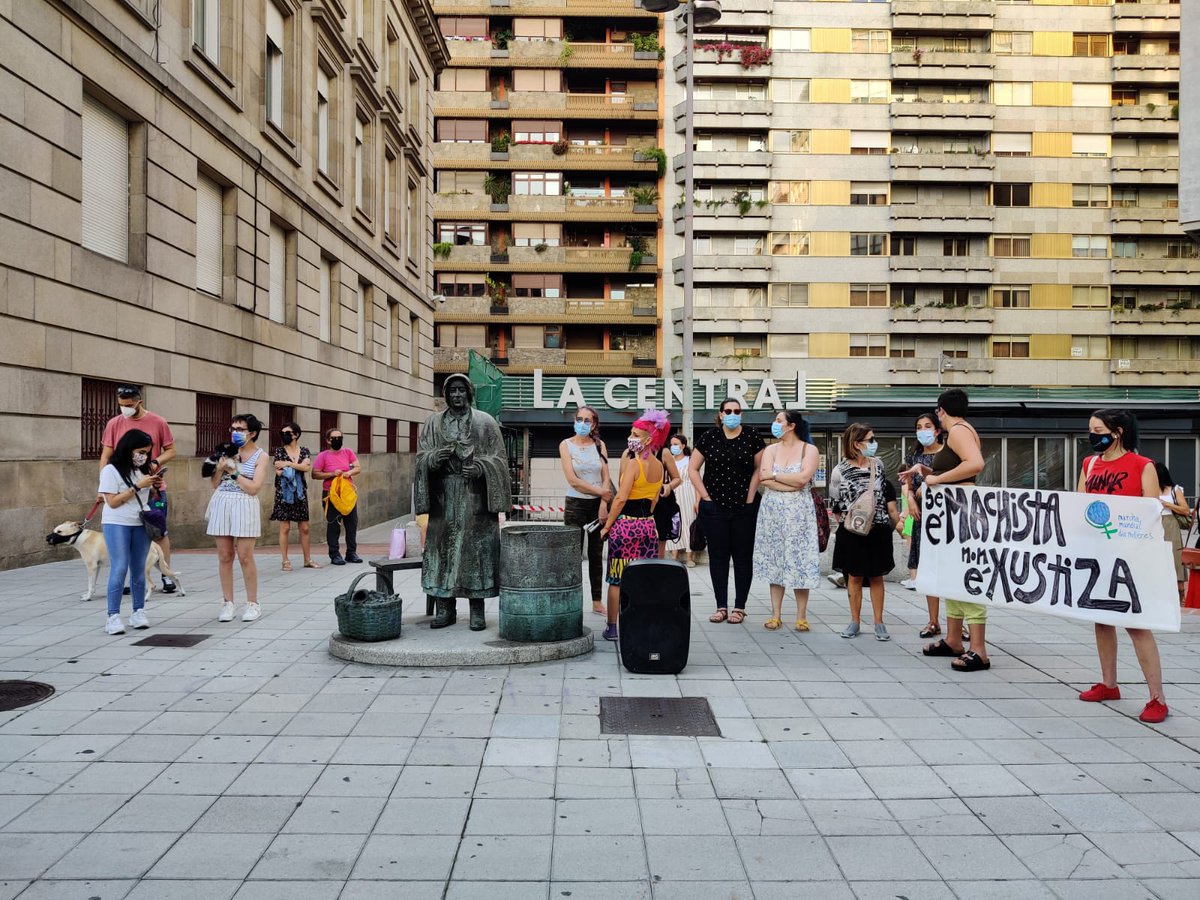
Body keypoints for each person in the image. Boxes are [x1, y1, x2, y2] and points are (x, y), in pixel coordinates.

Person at [1076, 409, 1168, 723]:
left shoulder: (1144, 467)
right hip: (1098, 555)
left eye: (1097, 429)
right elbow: (1079, 506)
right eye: (1090, 429)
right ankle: (1108, 683)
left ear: (1117, 432)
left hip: (1132, 557)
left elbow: (1151, 513)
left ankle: (1157, 698)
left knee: (1137, 626)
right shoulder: (1089, 464)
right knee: (1101, 620)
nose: (1092, 436)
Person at [903, 389, 990, 671]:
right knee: (951, 575)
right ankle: (954, 639)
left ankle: (978, 649)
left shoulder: (958, 431)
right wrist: (923, 471)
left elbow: (975, 464)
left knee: (966, 575)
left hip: (961, 510)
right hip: (950, 512)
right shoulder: (959, 433)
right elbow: (958, 467)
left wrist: (936, 479)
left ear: (941, 410)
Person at [416, 374, 509, 630]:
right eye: (452, 391)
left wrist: (480, 467)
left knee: (476, 551)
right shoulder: (433, 424)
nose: (457, 395)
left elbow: (500, 460)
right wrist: (433, 459)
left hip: (475, 496)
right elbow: (421, 457)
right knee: (443, 551)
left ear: (468, 393)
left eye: (461, 391)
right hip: (443, 497)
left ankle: (477, 610)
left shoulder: (485, 422)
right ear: (446, 395)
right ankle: (445, 609)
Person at [690, 398, 766, 624]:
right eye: (728, 411)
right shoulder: (709, 437)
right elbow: (693, 469)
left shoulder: (752, 435)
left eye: (737, 411)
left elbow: (758, 470)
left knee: (743, 557)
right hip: (714, 507)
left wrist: (751, 498)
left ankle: (739, 607)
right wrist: (705, 496)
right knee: (718, 557)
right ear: (721, 414)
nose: (733, 414)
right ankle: (721, 606)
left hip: (745, 507)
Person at [98, 384, 178, 593]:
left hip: (152, 488)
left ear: (139, 402)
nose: (125, 409)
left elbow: (171, 450)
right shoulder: (114, 424)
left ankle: (165, 574)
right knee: (125, 535)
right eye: (122, 405)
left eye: (129, 405)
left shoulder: (158, 422)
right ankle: (128, 578)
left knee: (158, 531)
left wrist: (155, 463)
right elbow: (106, 456)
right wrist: (102, 488)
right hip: (123, 489)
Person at [599, 409, 670, 642]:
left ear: (648, 439)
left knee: (617, 578)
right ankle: (641, 622)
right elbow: (655, 500)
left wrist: (608, 525)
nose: (631, 437)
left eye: (635, 434)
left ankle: (612, 627)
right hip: (648, 527)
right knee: (643, 577)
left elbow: (620, 498)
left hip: (625, 527)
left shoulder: (634, 464)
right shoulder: (659, 466)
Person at [829, 423, 899, 641]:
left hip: (878, 528)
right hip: (852, 532)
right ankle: (855, 621)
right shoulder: (839, 469)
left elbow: (883, 493)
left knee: (877, 576)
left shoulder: (878, 464)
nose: (873, 443)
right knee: (855, 577)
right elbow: (835, 503)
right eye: (869, 439)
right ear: (856, 443)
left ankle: (879, 622)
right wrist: (850, 523)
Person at [753, 410, 821, 631]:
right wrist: (782, 482)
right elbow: (763, 478)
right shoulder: (770, 449)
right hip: (772, 513)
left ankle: (801, 615)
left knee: (800, 561)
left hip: (799, 513)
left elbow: (803, 480)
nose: (775, 424)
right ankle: (776, 614)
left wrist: (774, 476)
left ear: (791, 425)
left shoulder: (809, 449)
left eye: (779, 420)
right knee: (775, 561)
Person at [902, 413, 965, 641]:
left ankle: (957, 623)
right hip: (922, 517)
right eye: (919, 426)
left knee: (948, 570)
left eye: (928, 426)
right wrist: (910, 499)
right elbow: (908, 483)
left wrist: (929, 485)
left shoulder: (948, 454)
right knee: (927, 570)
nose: (923, 430)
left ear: (937, 430)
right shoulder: (914, 455)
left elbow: (955, 481)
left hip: (945, 518)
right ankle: (933, 621)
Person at [98, 429, 162, 634]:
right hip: (116, 522)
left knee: (139, 568)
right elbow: (113, 502)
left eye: (147, 452)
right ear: (129, 448)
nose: (143, 456)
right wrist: (137, 486)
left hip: (140, 523)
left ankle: (138, 611)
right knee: (119, 567)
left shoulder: (144, 470)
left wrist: (152, 488)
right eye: (140, 451)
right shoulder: (110, 470)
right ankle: (113, 615)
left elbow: (146, 500)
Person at [206, 413, 268, 623]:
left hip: (244, 503)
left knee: (245, 555)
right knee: (225, 555)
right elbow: (214, 484)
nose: (235, 433)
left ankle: (253, 603)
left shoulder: (261, 456)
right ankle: (228, 602)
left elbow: (254, 488)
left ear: (252, 433)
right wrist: (220, 469)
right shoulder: (225, 452)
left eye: (240, 429)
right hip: (222, 501)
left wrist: (233, 473)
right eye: (233, 428)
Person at [559, 405, 612, 616]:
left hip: (597, 505)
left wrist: (602, 502)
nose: (582, 423)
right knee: (572, 554)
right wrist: (600, 491)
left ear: (594, 424)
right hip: (575, 504)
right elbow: (573, 480)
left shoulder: (600, 445)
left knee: (596, 554)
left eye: (587, 420)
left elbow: (606, 476)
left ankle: (597, 600)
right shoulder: (566, 445)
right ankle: (571, 598)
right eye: (579, 419)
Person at [270, 421, 318, 571]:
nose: (284, 435)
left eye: (287, 433)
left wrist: (288, 464)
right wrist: (295, 465)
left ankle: (307, 559)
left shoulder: (304, 450)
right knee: (285, 527)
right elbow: (278, 471)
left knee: (304, 527)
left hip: (300, 493)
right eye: (282, 433)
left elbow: (306, 467)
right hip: (283, 493)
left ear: (296, 435)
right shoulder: (279, 451)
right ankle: (285, 561)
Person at [311, 427, 362, 565]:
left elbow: (357, 467)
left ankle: (351, 553)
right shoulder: (323, 456)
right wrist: (332, 473)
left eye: (340, 438)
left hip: (347, 493)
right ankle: (335, 554)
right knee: (333, 525)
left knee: (352, 523)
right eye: (334, 438)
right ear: (328, 440)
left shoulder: (348, 452)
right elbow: (315, 474)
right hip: (330, 494)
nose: (337, 440)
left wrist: (349, 473)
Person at [1155, 462, 1190, 603]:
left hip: (1170, 524)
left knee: (1175, 558)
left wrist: (1167, 504)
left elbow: (1186, 510)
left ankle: (1180, 594)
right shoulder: (1148, 489)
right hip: (1154, 524)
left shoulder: (1175, 489)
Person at [666, 434, 697, 567]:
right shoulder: (669, 460)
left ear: (683, 446)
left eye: (676, 444)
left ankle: (690, 556)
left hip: (688, 493)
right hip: (673, 494)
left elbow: (696, 482)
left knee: (689, 522)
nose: (673, 447)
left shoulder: (690, 460)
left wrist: (698, 501)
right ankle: (674, 555)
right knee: (674, 522)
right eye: (671, 444)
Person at [653, 429, 684, 559]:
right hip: (641, 501)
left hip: (661, 501)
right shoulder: (634, 452)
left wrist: (668, 486)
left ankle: (658, 571)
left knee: (660, 538)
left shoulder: (664, 452)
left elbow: (677, 478)